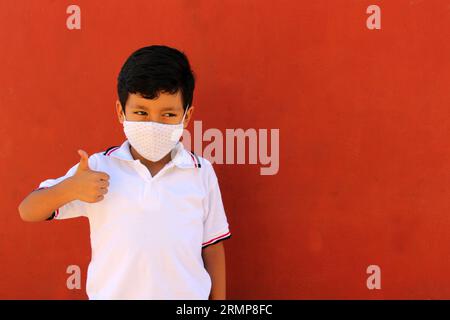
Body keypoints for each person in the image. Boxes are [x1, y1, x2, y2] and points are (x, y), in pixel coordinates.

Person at [18, 45, 232, 300]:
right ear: (121, 112)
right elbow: (28, 210)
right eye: (141, 112)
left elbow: (212, 247)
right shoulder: (98, 168)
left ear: (186, 117)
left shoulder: (200, 172)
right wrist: (72, 188)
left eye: (168, 114)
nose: (153, 123)